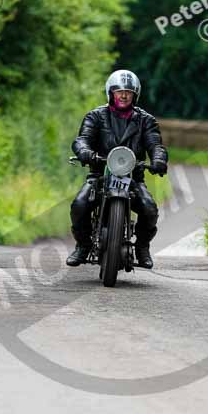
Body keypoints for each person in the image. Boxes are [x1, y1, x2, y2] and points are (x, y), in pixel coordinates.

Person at [66, 69, 168, 270]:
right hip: (100, 175)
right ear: (110, 93)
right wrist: (85, 152)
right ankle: (83, 245)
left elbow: (156, 145)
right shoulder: (95, 116)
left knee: (149, 208)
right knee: (79, 205)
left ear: (135, 95)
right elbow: (82, 140)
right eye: (119, 91)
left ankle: (142, 247)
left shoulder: (146, 120)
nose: (123, 95)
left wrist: (159, 160)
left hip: (133, 178)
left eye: (128, 92)